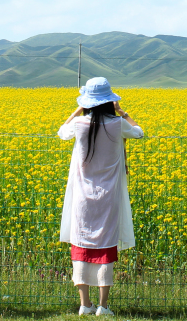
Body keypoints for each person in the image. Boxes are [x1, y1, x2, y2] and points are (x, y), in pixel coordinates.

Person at [58, 77, 145, 316]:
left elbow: (61, 131)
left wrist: (78, 110)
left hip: (82, 198)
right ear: (109, 102)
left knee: (82, 245)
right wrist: (123, 112)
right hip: (109, 196)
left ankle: (85, 304)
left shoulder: (79, 124)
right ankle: (103, 306)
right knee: (106, 246)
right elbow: (139, 132)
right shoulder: (117, 124)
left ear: (88, 102)